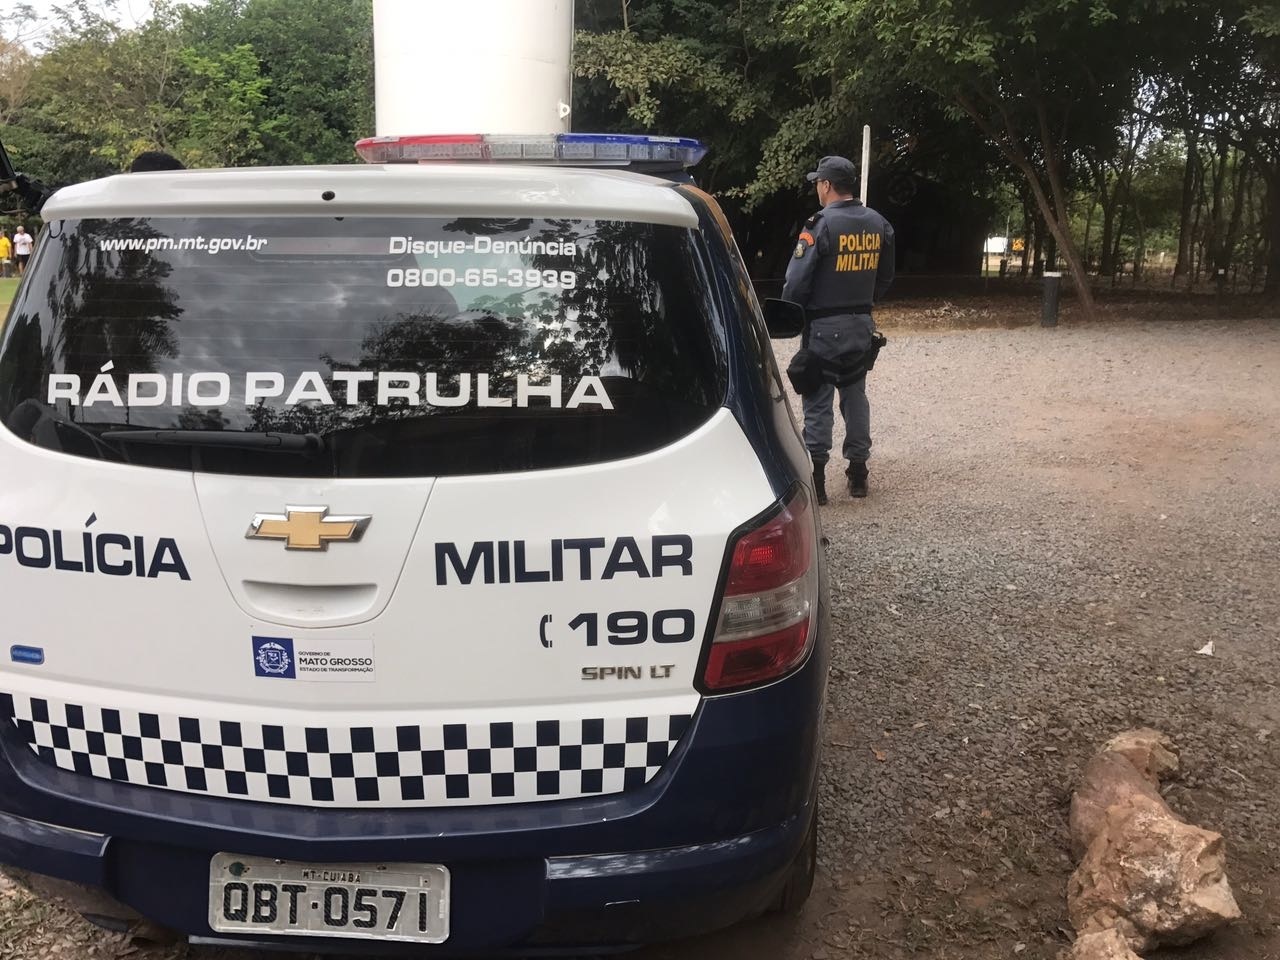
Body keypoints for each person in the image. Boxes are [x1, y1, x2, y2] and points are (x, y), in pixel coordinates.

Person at [782, 155, 895, 503]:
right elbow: (885, 277)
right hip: (862, 325)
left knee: (818, 398)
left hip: (823, 327)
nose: (817, 188)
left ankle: (816, 480)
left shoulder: (820, 225)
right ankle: (858, 473)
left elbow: (796, 282)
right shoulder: (879, 223)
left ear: (827, 185)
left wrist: (790, 314)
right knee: (855, 395)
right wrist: (863, 304)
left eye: (818, 182)